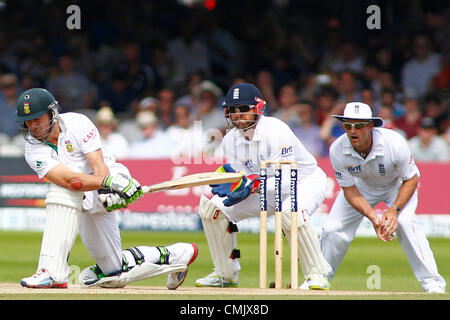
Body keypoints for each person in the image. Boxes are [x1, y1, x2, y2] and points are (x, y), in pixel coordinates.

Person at [16, 88, 197, 289]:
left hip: (109, 177)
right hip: (86, 191)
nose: (33, 127)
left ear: (52, 112)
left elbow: (98, 164)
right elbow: (69, 180)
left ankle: (51, 272)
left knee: (61, 194)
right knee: (113, 274)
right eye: (28, 121)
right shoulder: (32, 148)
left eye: (37, 119)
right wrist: (107, 185)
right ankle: (178, 255)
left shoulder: (77, 123)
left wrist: (108, 190)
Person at [195, 83, 331, 290]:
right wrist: (237, 185)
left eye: (243, 109)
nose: (238, 114)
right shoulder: (230, 140)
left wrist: (251, 184)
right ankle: (225, 274)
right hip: (264, 189)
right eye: (233, 110)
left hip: (304, 181)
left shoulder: (275, 129)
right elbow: (244, 179)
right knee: (212, 207)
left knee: (289, 211)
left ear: (258, 108)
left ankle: (317, 274)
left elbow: (285, 179)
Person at [320, 102, 446, 293]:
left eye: (359, 125)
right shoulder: (337, 149)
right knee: (332, 228)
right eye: (348, 125)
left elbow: (411, 179)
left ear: (370, 126)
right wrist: (374, 218)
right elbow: (350, 190)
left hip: (397, 186)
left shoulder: (394, 143)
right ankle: (320, 277)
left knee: (405, 222)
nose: (353, 131)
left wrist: (394, 210)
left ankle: (433, 283)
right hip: (363, 187)